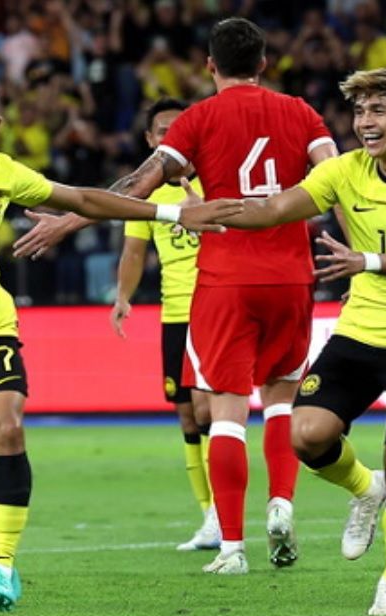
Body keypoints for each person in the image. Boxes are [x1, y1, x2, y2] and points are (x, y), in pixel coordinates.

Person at [0, 73, 237, 613]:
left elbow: (83, 198)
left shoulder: (2, 171)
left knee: (8, 427)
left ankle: (3, 565)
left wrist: (174, 211)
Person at [15, 17, 338, 575]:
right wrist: (360, 261)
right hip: (291, 276)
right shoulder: (303, 114)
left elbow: (137, 185)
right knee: (282, 399)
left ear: (209, 66)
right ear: (264, 64)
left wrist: (68, 221)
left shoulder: (196, 121)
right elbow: (341, 181)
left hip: (224, 280)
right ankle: (282, 505)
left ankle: (234, 548)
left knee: (228, 413)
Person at [189, 66, 386, 616]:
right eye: (360, 111)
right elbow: (273, 208)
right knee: (306, 434)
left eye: (378, 111)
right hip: (360, 333)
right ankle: (365, 491)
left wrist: (362, 260)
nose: (364, 122)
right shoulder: (344, 171)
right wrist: (202, 212)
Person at [109, 98, 218, 552]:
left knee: (211, 410)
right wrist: (123, 296)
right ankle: (209, 517)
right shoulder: (147, 193)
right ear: (151, 141)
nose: (171, 138)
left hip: (216, 309)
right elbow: (136, 251)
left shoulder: (215, 182)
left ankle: (225, 511)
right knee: (187, 414)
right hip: (175, 316)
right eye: (163, 132)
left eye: (180, 131)